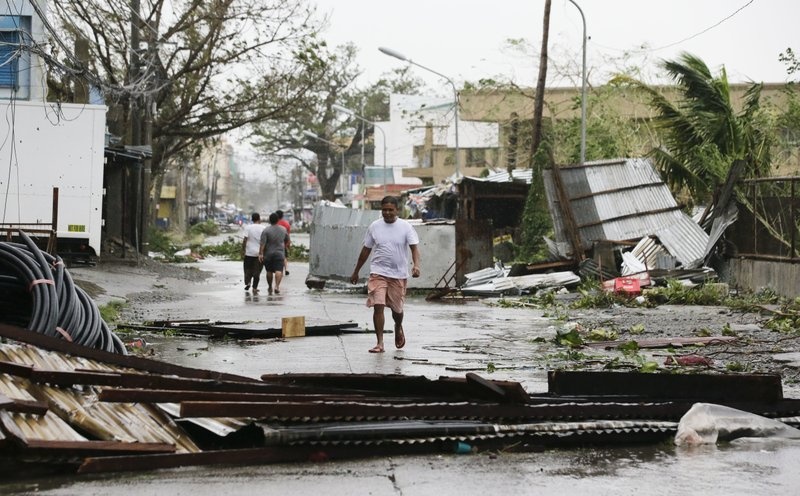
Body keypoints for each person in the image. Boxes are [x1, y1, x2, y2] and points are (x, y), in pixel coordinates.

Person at [350, 196, 420, 353]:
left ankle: (398, 326)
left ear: (397, 210)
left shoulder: (406, 227)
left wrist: (416, 265)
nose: (387, 213)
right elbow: (366, 250)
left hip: (398, 274)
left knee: (397, 310)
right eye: (384, 210)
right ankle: (380, 343)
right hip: (378, 272)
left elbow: (414, 248)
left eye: (390, 210)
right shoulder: (374, 227)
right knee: (378, 305)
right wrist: (356, 271)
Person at [259, 212, 290, 295]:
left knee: (269, 271)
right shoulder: (283, 229)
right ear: (277, 220)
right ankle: (276, 286)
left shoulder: (266, 230)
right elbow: (287, 240)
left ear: (269, 220)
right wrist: (283, 245)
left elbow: (262, 244)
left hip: (268, 254)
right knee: (279, 270)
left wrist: (261, 254)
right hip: (280, 253)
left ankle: (270, 286)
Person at [241, 212, 266, 294]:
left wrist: (243, 250)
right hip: (259, 253)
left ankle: (248, 282)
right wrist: (263, 252)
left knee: (247, 269)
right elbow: (264, 241)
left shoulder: (248, 227)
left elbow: (245, 240)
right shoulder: (263, 228)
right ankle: (255, 288)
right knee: (257, 271)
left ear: (252, 219)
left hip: (249, 252)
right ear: (259, 219)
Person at [276, 209, 291, 275]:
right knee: (284, 256)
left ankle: (277, 269)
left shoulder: (275, 223)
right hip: (283, 242)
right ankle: (286, 269)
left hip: (275, 242)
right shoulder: (286, 224)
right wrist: (288, 244)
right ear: (282, 216)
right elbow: (288, 235)